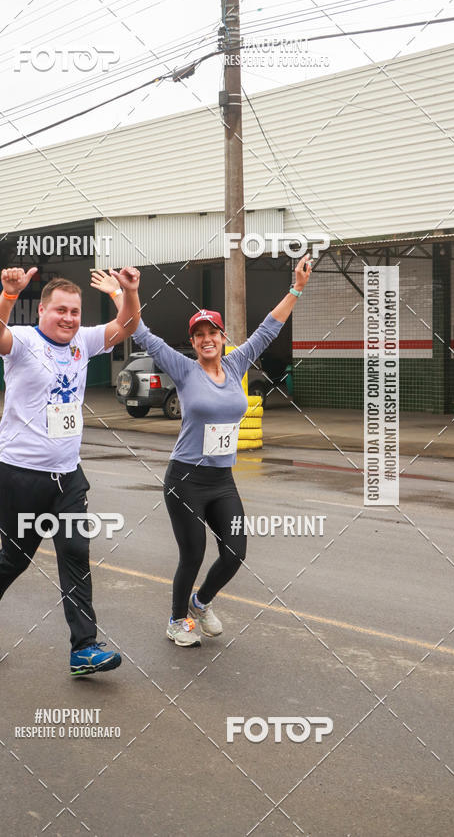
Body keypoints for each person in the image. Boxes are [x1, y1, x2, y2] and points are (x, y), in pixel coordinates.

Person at [129, 255, 312, 646]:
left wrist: (296, 287)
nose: (207, 339)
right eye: (200, 335)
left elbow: (269, 328)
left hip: (221, 479)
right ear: (193, 342)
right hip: (185, 479)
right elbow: (141, 333)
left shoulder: (236, 363)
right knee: (192, 554)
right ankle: (177, 620)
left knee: (235, 552)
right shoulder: (183, 369)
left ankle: (200, 602)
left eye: (213, 333)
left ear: (222, 338)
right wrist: (128, 294)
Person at [0, 265, 141, 675]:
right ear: (42, 310)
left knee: (75, 553)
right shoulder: (24, 340)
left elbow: (128, 324)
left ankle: (83, 648)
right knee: (16, 557)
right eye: (60, 310)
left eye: (75, 311)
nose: (68, 318)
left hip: (68, 476)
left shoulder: (84, 341)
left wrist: (127, 292)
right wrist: (8, 295)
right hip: (19, 473)